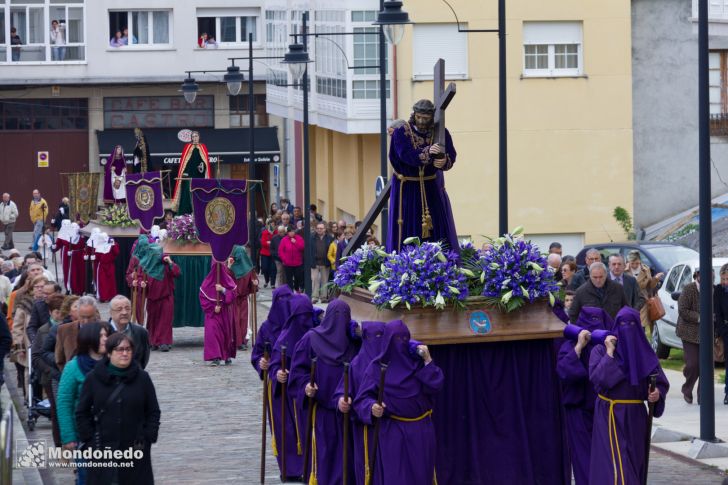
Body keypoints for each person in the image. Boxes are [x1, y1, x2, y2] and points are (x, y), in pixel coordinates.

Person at [353, 320, 443, 484]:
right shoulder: (376, 368)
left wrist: (428, 359)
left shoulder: (418, 363)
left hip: (421, 433)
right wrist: (372, 407)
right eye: (395, 340)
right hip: (392, 433)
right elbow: (361, 400)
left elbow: (436, 386)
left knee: (421, 476)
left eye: (404, 339)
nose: (399, 344)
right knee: (397, 477)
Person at [588, 307, 669, 485]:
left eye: (631, 325)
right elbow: (598, 381)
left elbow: (660, 382)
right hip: (609, 416)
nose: (627, 329)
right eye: (622, 324)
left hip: (635, 419)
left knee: (634, 463)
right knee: (616, 468)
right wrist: (610, 354)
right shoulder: (601, 350)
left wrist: (656, 394)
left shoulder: (645, 353)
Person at [290, 299, 360, 484]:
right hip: (321, 411)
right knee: (325, 458)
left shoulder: (353, 342)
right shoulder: (311, 340)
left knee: (346, 460)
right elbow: (298, 372)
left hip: (347, 413)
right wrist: (306, 386)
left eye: (344, 317)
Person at [75, 332, 160, 484]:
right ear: (109, 353)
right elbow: (82, 412)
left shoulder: (142, 378)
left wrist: (148, 436)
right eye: (120, 349)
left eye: (128, 349)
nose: (125, 353)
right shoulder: (93, 379)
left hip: (135, 451)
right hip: (103, 449)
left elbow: (153, 411)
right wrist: (89, 440)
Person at [387, 99, 458, 252]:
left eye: (425, 118)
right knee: (408, 227)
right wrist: (427, 153)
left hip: (430, 187)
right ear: (414, 115)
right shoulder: (402, 132)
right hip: (407, 189)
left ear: (431, 117)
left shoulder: (440, 132)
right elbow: (405, 155)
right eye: (419, 117)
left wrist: (445, 161)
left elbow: (451, 153)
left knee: (436, 226)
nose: (421, 121)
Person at [556, 307, 614, 485]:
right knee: (583, 460)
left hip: (605, 410)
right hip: (578, 411)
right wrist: (579, 347)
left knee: (606, 459)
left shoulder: (608, 343)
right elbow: (564, 372)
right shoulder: (570, 344)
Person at [56, 321, 110, 484]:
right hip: (85, 436)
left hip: (113, 434)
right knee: (87, 477)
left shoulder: (114, 363)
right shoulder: (73, 367)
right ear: (89, 338)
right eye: (101, 336)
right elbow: (64, 402)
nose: (105, 339)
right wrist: (69, 437)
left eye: (106, 335)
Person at [268, 295, 315, 480]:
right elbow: (273, 364)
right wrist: (277, 373)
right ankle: (293, 469)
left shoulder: (317, 333)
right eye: (300, 316)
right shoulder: (284, 339)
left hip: (308, 394)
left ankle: (311, 468)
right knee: (289, 432)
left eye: (307, 315)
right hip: (288, 396)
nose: (304, 321)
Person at [30, 294, 65, 446]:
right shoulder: (43, 330)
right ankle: (59, 446)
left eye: (62, 312)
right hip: (50, 378)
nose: (59, 315)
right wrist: (51, 372)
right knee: (57, 412)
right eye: (57, 312)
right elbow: (36, 356)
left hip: (66, 375)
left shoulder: (68, 328)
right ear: (50, 312)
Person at [143, 243, 180, 352]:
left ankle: (164, 341)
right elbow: (141, 278)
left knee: (165, 320)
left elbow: (177, 272)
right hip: (152, 298)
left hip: (166, 297)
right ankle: (153, 341)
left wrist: (170, 262)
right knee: (152, 320)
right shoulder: (147, 266)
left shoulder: (166, 266)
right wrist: (141, 283)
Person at [200, 260, 237, 366]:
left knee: (226, 334)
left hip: (225, 312)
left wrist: (223, 290)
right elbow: (202, 297)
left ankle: (226, 355)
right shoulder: (207, 282)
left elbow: (234, 293)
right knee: (213, 333)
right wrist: (212, 308)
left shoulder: (228, 279)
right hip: (213, 314)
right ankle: (215, 356)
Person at [676, 268, 702, 404]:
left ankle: (703, 395)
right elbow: (682, 310)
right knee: (693, 364)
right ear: (697, 275)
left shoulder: (713, 290)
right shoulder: (688, 289)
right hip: (688, 332)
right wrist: (700, 317)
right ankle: (687, 389)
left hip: (707, 334)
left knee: (705, 365)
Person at [55, 295, 99, 372]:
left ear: (95, 314)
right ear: (77, 313)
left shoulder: (104, 329)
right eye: (82, 317)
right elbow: (59, 359)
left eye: (89, 317)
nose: (86, 321)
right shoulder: (64, 330)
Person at [172, 131, 211, 215]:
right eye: (193, 136)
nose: (195, 138)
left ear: (199, 137)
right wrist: (185, 172)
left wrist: (202, 167)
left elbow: (205, 163)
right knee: (186, 195)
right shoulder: (187, 147)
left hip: (199, 177)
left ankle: (200, 212)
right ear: (191, 138)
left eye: (196, 136)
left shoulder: (203, 147)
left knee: (199, 195)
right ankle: (184, 214)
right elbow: (184, 163)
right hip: (188, 176)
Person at [625, 250, 664, 331]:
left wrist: (656, 279)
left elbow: (650, 286)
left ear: (640, 261)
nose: (635, 265)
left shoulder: (646, 270)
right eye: (632, 263)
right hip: (628, 300)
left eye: (637, 263)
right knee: (629, 326)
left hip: (642, 300)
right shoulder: (624, 270)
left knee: (641, 327)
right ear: (628, 262)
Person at [108, 295, 150, 369]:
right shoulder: (103, 333)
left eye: (128, 309)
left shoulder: (141, 332)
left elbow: (143, 360)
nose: (124, 312)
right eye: (119, 309)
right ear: (111, 312)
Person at [228, 246, 257, 351]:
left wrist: (254, 283)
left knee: (238, 319)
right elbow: (253, 284)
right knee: (241, 319)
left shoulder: (231, 268)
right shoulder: (248, 267)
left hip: (236, 298)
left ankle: (238, 341)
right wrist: (254, 284)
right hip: (239, 298)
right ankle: (240, 341)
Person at [310, 222, 334, 304]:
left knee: (324, 280)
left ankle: (324, 297)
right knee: (315, 280)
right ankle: (315, 297)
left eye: (321, 228)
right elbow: (308, 250)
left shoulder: (329, 238)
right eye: (318, 228)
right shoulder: (312, 237)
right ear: (316, 229)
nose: (319, 230)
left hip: (325, 262)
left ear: (324, 229)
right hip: (314, 262)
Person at [91, 233, 119, 302]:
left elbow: (117, 252)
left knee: (110, 282)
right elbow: (97, 256)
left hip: (110, 265)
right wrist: (93, 257)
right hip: (102, 266)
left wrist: (113, 244)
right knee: (102, 282)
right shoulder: (99, 245)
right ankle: (103, 297)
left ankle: (110, 296)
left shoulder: (112, 244)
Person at [715, 264, 728, 405]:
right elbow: (717, 313)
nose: (725, 282)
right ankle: (727, 392)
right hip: (726, 329)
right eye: (723, 278)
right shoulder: (719, 290)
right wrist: (723, 331)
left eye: (727, 279)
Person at [279, 225, 305, 293]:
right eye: (290, 232)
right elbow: (281, 251)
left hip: (297, 263)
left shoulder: (299, 238)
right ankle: (290, 292)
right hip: (288, 263)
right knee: (289, 279)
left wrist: (295, 242)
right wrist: (284, 259)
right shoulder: (284, 240)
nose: (292, 233)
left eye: (293, 231)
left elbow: (302, 248)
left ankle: (296, 288)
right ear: (288, 233)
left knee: (297, 277)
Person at [260, 220, 275, 288]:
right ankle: (266, 280)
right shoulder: (264, 232)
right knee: (265, 268)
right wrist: (269, 243)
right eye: (271, 224)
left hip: (273, 254)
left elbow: (276, 243)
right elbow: (263, 243)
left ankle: (272, 283)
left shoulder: (276, 232)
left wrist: (269, 243)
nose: (272, 226)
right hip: (265, 253)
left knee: (273, 269)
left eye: (273, 224)